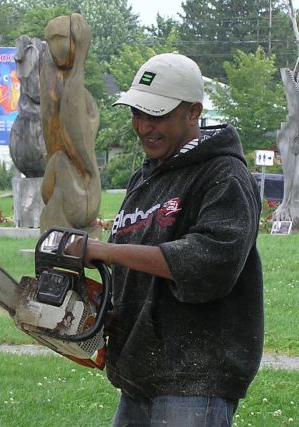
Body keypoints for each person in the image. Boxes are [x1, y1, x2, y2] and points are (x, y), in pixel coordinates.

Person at [68, 53, 263, 426]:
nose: (143, 127)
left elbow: (208, 262)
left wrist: (106, 251)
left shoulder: (224, 176)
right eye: (137, 114)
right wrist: (102, 309)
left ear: (193, 112)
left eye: (155, 115)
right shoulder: (148, 176)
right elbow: (138, 265)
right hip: (141, 375)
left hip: (195, 378)